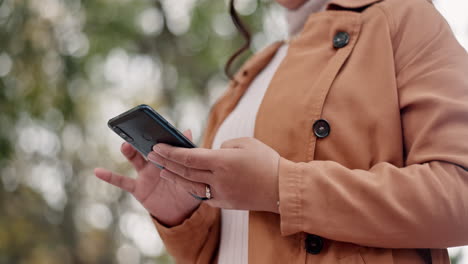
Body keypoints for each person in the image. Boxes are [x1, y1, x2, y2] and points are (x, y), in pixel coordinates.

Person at [94, 0, 468, 263]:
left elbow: (461, 196)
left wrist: (280, 187)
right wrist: (182, 214)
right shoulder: (252, 73)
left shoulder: (404, 18)